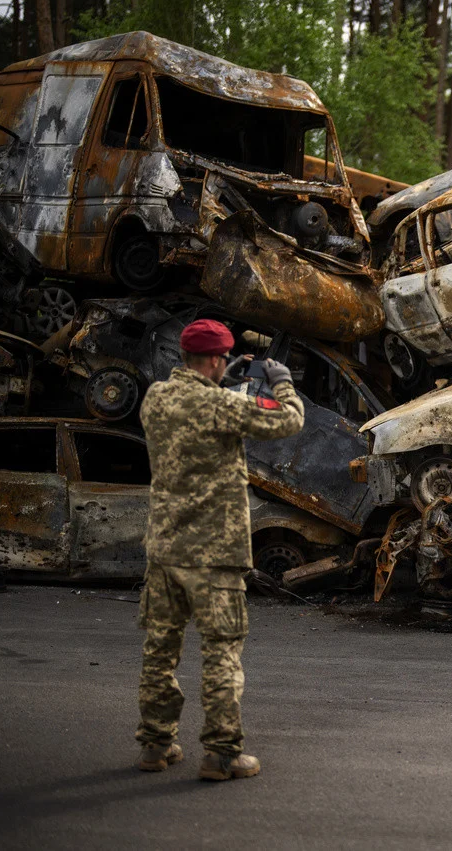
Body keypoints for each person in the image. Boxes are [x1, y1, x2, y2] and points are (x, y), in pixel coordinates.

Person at [134, 319, 304, 781]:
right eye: (224, 359)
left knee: (160, 650)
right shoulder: (222, 405)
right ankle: (222, 753)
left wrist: (227, 386)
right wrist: (280, 380)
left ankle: (155, 743)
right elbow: (288, 419)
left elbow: (198, 409)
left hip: (166, 547)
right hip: (214, 552)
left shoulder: (156, 398)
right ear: (214, 360)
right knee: (221, 652)